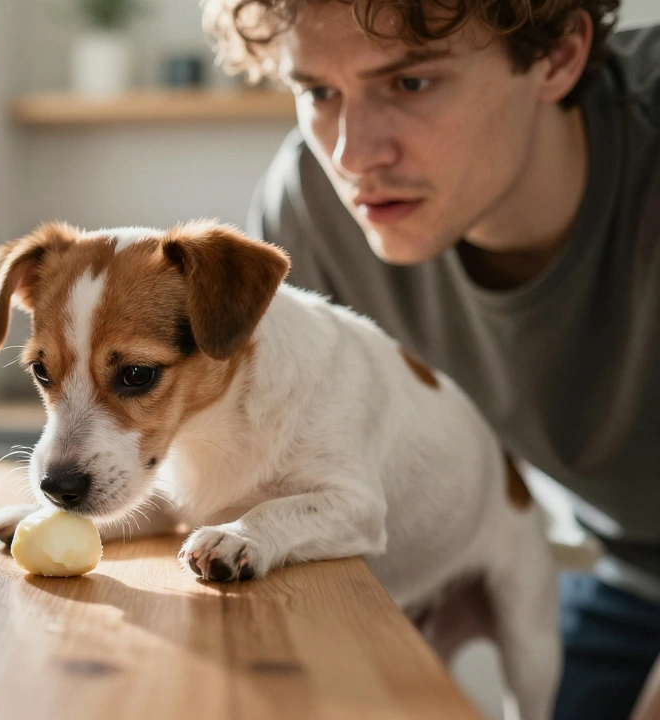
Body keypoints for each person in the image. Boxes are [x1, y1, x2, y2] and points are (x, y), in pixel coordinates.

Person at [199, 0, 660, 716]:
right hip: (628, 580)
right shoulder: (313, 212)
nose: (353, 155)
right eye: (319, 92)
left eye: (410, 83)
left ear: (559, 56)